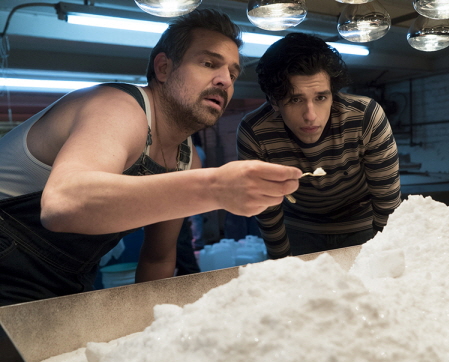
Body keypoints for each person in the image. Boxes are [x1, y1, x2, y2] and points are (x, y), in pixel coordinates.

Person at [0, 9, 301, 306]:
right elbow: (63, 204)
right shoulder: (118, 107)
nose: (225, 80)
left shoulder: (186, 160)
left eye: (233, 74)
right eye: (209, 63)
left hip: (68, 278)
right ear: (164, 68)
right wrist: (215, 188)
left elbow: (158, 258)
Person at [237, 33, 401, 259]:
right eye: (295, 100)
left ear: (332, 93)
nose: (311, 116)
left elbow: (387, 201)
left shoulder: (365, 117)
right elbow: (268, 210)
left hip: (360, 223)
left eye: (321, 98)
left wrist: (388, 255)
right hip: (299, 229)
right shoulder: (255, 132)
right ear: (274, 101)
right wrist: (282, 263)